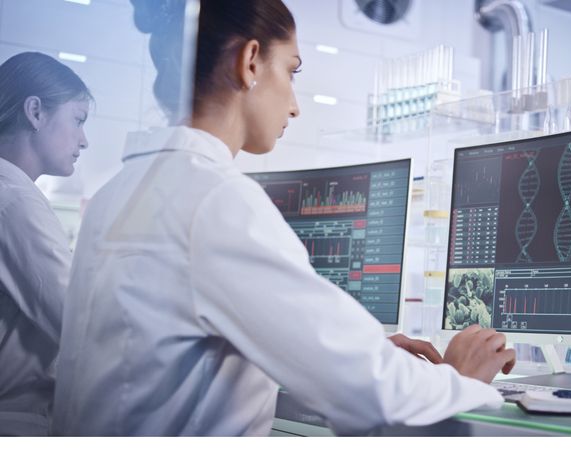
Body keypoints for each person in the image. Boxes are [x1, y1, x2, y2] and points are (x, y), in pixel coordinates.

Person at [52, 0, 515, 436]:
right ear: (250, 62)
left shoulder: (120, 191)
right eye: (291, 72)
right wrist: (460, 379)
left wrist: (341, 354)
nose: (294, 104)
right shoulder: (216, 200)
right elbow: (373, 396)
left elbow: (167, 359)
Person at [0, 52, 91, 435]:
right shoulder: (14, 199)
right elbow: (80, 323)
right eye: (78, 120)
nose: (84, 141)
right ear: (35, 112)